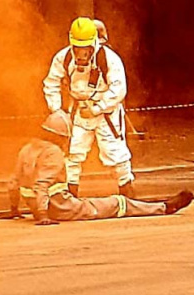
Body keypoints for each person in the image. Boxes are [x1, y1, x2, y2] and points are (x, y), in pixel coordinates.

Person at [0, 111, 193, 224]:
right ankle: (164, 207)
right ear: (61, 136)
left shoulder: (27, 148)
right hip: (60, 208)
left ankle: (157, 205)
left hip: (42, 207)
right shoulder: (53, 153)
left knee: (95, 202)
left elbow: (13, 182)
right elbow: (42, 185)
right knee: (117, 203)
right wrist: (43, 216)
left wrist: (14, 209)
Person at [43, 17, 135, 198]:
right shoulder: (63, 58)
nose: (81, 53)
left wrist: (97, 108)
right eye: (77, 47)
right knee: (72, 153)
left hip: (105, 113)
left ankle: (128, 193)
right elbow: (51, 83)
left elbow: (118, 88)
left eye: (85, 48)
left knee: (115, 152)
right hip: (77, 112)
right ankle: (70, 195)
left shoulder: (109, 59)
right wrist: (57, 111)